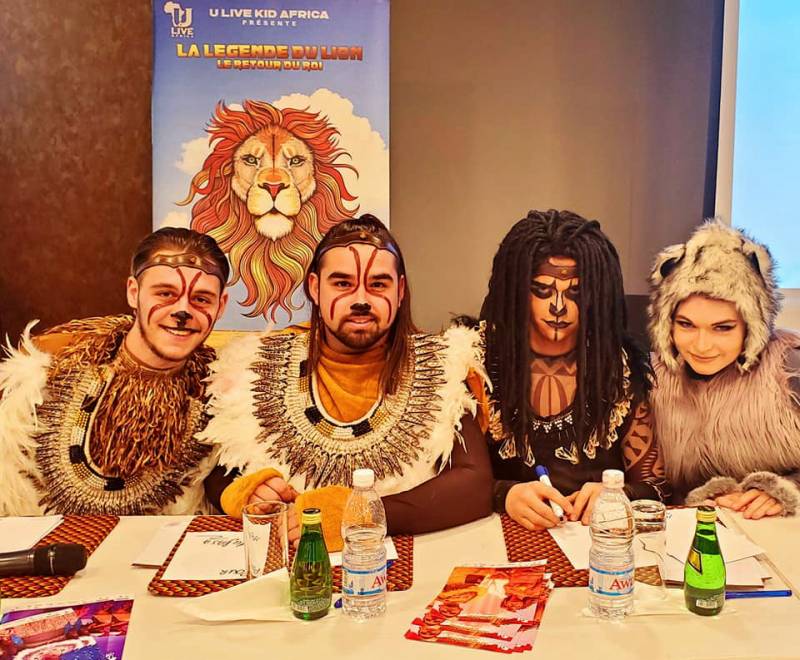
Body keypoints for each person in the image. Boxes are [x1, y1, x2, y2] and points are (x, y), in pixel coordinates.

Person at [202, 214, 493, 546]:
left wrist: (363, 514)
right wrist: (248, 490)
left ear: (400, 291)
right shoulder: (255, 364)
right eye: (342, 284)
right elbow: (217, 471)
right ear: (315, 288)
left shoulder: (442, 365)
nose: (361, 300)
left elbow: (475, 485)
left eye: (378, 285)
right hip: (287, 559)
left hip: (403, 561)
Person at [0, 228, 229, 515]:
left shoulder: (219, 396)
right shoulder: (51, 369)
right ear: (134, 293)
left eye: (201, 299)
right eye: (165, 293)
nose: (182, 311)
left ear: (221, 306)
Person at [479, 209, 668, 530]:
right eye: (542, 290)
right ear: (516, 290)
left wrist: (619, 494)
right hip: (493, 538)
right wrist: (502, 494)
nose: (558, 306)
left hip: (593, 540)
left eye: (576, 292)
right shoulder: (474, 362)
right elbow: (445, 480)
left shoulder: (618, 368)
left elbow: (657, 485)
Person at [648, 220, 800, 517]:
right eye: (686, 325)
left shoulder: (790, 366)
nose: (702, 345)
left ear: (752, 327)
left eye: (723, 328)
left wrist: (788, 488)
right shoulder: (650, 378)